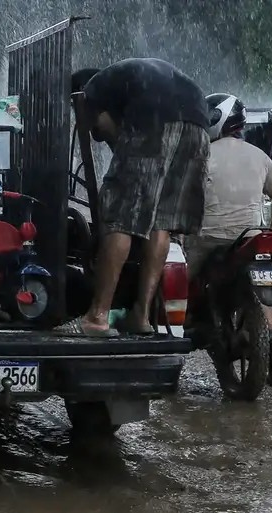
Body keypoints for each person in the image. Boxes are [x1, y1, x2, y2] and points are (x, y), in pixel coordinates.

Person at [60, 58, 210, 337]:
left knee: (121, 218)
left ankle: (97, 317)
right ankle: (141, 316)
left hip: (155, 119)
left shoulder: (89, 90)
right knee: (161, 222)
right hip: (199, 123)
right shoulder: (128, 80)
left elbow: (104, 130)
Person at [184, 93, 272, 386]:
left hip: (208, 240)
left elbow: (182, 200)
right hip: (252, 239)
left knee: (178, 289)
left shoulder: (201, 155)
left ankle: (176, 340)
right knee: (264, 296)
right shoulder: (260, 155)